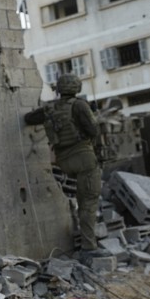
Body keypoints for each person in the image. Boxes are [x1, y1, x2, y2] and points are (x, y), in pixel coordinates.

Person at [24, 73, 105, 262]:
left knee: (80, 200)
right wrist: (92, 114)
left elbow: (29, 118)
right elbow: (93, 130)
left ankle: (84, 239)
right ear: (77, 88)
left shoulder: (50, 108)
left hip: (63, 161)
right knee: (88, 202)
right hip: (84, 159)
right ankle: (88, 247)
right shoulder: (80, 105)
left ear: (59, 89)